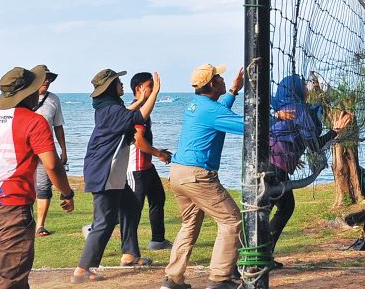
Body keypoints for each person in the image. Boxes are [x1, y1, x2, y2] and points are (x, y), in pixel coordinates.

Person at [0, 66, 75, 289]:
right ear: (29, 93)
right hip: (10, 210)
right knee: (8, 280)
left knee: (15, 275)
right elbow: (52, 164)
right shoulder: (34, 121)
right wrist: (67, 193)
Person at [160, 64, 245, 289]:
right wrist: (278, 118)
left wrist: (233, 91)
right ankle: (220, 278)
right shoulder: (211, 110)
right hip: (197, 176)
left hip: (178, 173)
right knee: (231, 221)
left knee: (189, 224)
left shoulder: (197, 104)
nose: (223, 79)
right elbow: (248, 126)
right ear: (212, 84)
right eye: (219, 77)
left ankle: (172, 279)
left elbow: (218, 113)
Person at [73, 69, 161, 283]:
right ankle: (82, 269)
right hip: (104, 172)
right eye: (118, 82)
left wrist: (141, 100)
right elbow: (138, 117)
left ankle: (130, 254)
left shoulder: (109, 108)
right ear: (111, 87)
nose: (122, 85)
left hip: (109, 171)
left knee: (130, 206)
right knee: (104, 221)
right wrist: (154, 93)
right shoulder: (112, 110)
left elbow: (128, 113)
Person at [267, 74, 352, 263]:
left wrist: (290, 155)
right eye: (304, 85)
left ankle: (263, 254)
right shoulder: (299, 109)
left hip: (269, 162)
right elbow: (313, 145)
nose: (307, 88)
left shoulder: (280, 105)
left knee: (280, 208)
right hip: (275, 167)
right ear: (295, 88)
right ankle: (258, 256)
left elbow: (283, 134)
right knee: (277, 209)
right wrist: (335, 131)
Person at [119, 72, 173, 268]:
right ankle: (128, 255)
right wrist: (158, 154)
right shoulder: (137, 110)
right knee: (132, 211)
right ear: (139, 89)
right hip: (136, 169)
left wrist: (156, 152)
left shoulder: (143, 110)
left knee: (158, 198)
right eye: (150, 86)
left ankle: (158, 240)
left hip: (147, 167)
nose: (154, 90)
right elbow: (139, 141)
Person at [31, 65, 68, 238]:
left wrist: (64, 150)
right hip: (25, 150)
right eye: (43, 77)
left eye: (49, 78)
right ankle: (26, 221)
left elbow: (58, 126)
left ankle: (40, 225)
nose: (47, 81)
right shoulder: (23, 98)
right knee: (25, 186)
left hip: (45, 149)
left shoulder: (53, 99)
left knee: (44, 186)